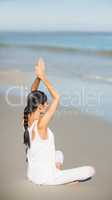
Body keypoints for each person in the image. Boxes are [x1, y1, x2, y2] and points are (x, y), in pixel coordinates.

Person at [23, 58, 95, 186]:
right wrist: (43, 77)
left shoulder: (27, 118)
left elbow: (32, 93)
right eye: (45, 103)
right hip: (46, 178)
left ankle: (57, 173)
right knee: (90, 170)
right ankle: (60, 179)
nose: (47, 105)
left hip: (32, 174)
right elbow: (57, 97)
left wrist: (38, 77)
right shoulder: (41, 125)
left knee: (59, 154)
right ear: (39, 106)